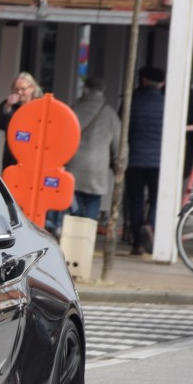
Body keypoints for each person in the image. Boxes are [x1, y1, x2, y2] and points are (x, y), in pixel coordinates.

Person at [64, 76, 121, 225]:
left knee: (71, 206)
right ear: (102, 91)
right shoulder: (110, 114)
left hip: (73, 166)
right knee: (92, 205)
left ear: (85, 89)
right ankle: (85, 240)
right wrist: (119, 166)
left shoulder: (73, 109)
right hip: (98, 169)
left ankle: (70, 238)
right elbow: (118, 145)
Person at [126, 66, 166, 255]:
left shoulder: (131, 101)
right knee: (158, 198)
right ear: (162, 83)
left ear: (143, 80)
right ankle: (150, 223)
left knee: (135, 201)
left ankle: (138, 244)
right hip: (158, 161)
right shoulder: (165, 103)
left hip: (133, 160)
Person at [0, 71, 42, 169]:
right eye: (16, 89)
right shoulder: (9, 105)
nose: (19, 93)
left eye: (23, 89)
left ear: (32, 88)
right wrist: (8, 107)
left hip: (33, 156)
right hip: (11, 157)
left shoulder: (40, 106)